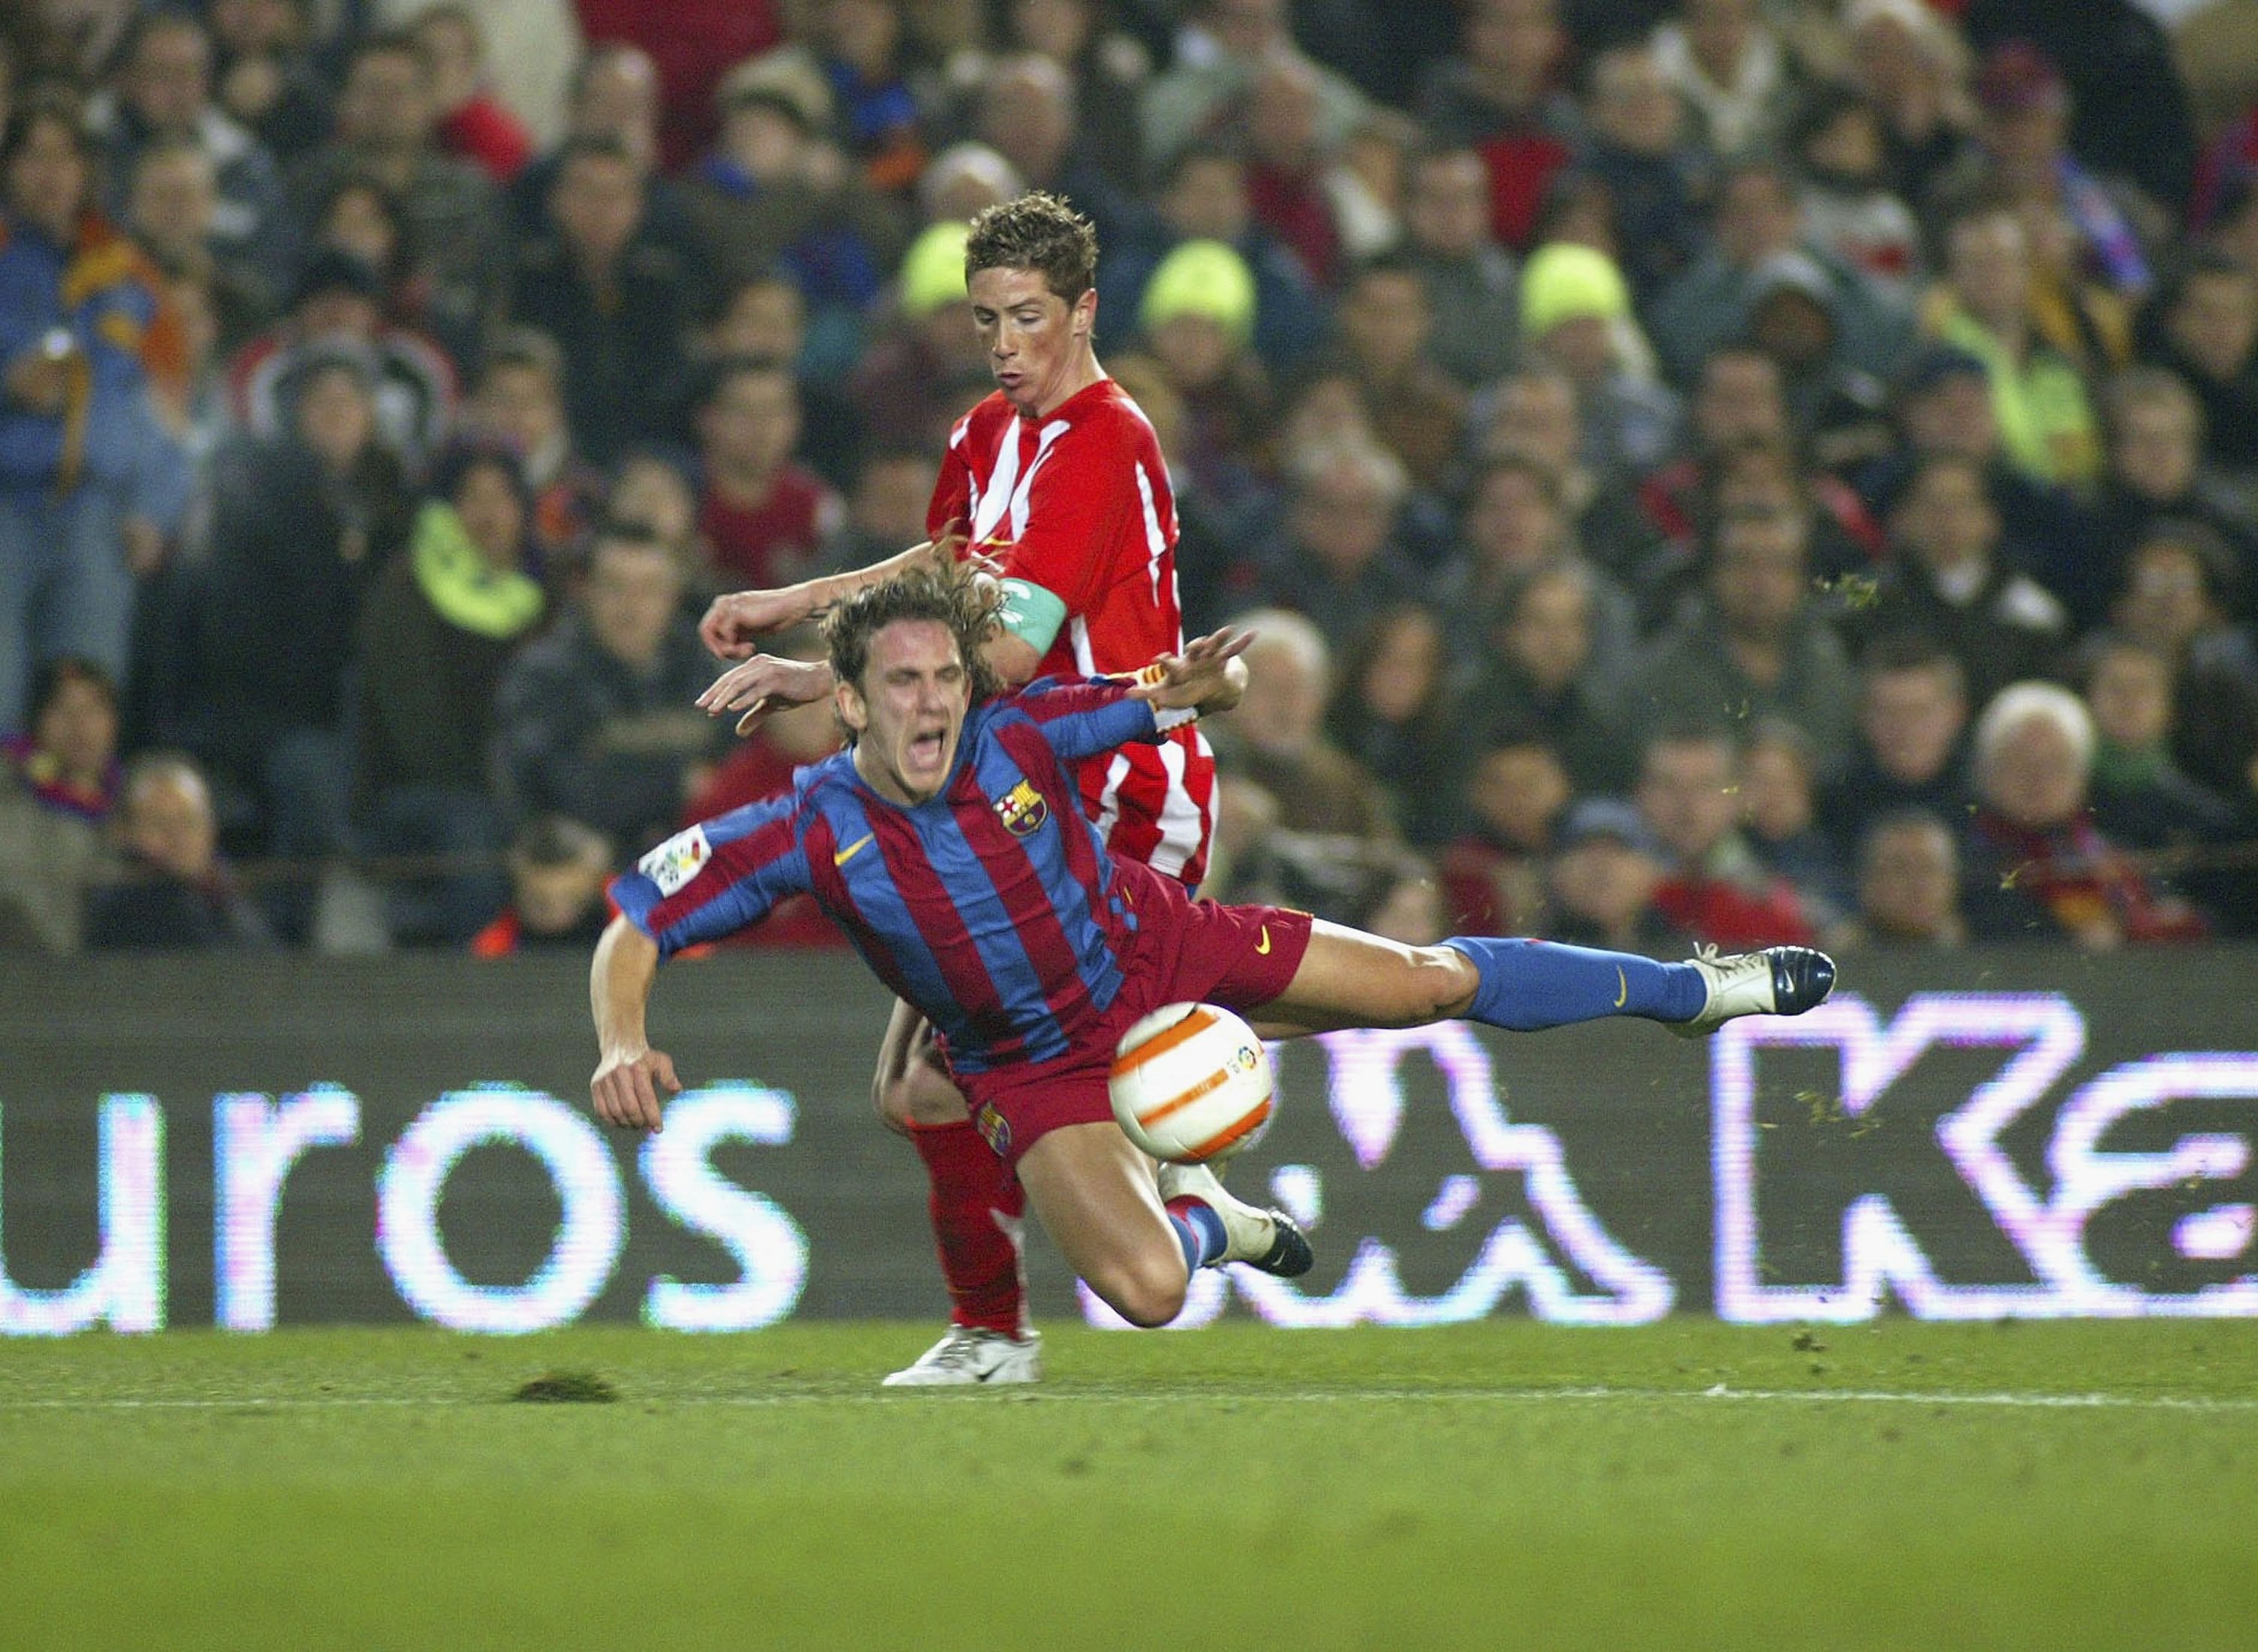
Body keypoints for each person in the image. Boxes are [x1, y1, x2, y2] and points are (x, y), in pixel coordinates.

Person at [590, 564, 1837, 1341]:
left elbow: (1175, 695)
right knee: (1145, 1296)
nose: (932, 703)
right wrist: (623, 1039)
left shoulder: (1019, 732)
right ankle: (1212, 1228)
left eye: (945, 678)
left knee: (1423, 983)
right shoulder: (806, 828)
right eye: (902, 683)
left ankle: (1691, 991)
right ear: (849, 701)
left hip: (1161, 950)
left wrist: (1209, 689)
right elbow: (635, 923)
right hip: (1030, 1063)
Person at [690, 193, 1218, 1385]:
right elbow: (947, 564)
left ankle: (1078, 1274)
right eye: (986, 318)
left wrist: (823, 677)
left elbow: (1014, 651)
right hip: (1011, 794)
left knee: (943, 1079)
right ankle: (1140, 1211)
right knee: (912, 1090)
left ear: (1083, 313)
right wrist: (799, 607)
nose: (1004, 343)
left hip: (1123, 790)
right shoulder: (988, 429)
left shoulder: (1106, 440)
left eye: (1028, 317)